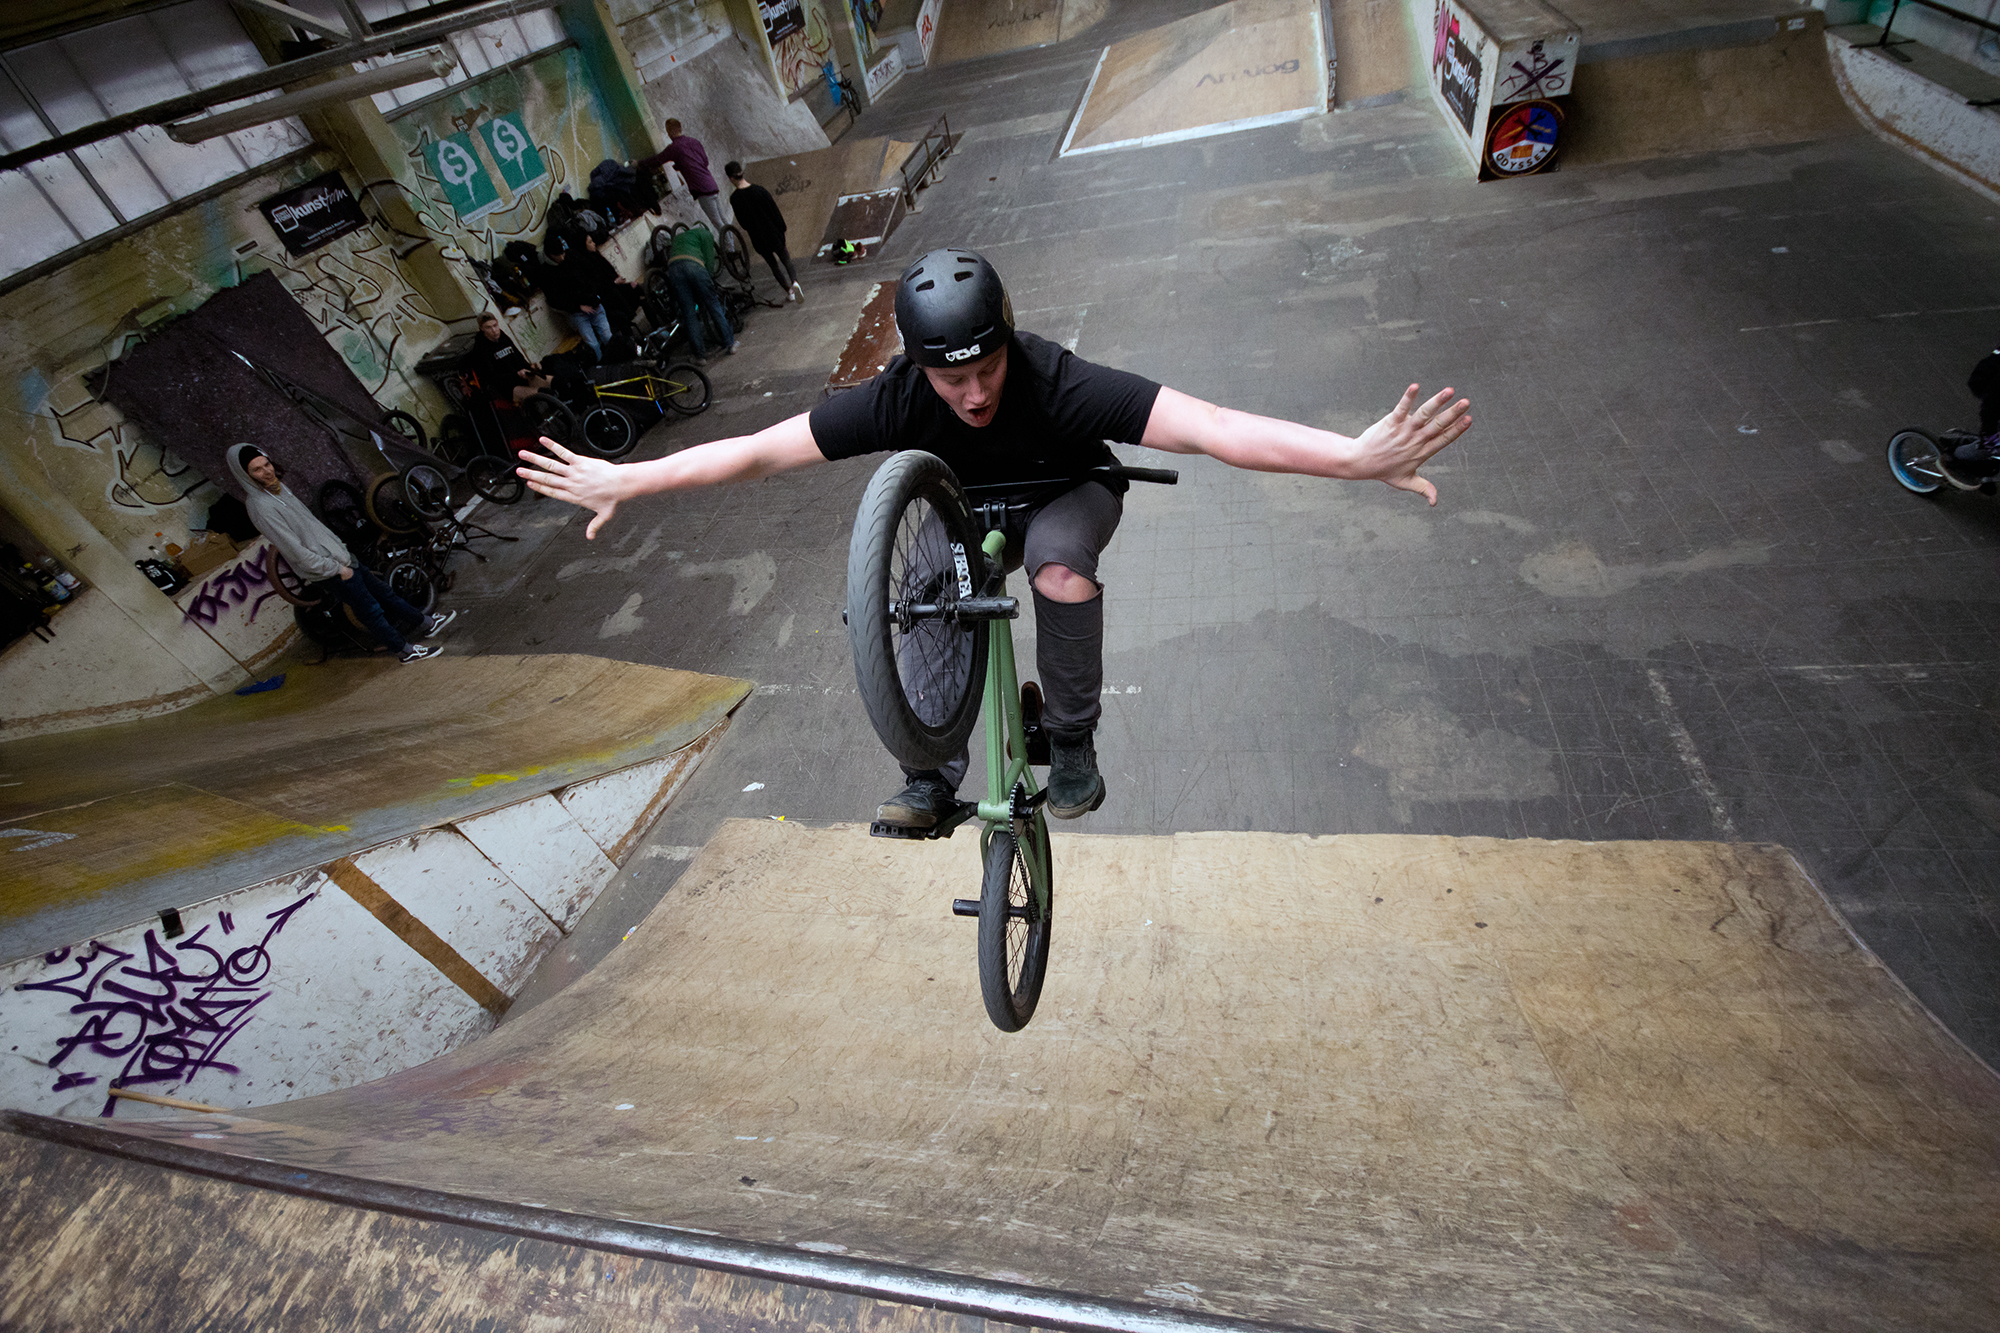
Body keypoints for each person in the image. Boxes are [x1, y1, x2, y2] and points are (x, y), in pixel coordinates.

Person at [516, 247, 1470, 828]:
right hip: (963, 514)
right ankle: (928, 770)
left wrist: (1351, 456)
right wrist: (631, 477)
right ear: (917, 365)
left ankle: (1074, 738)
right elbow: (763, 453)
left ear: (1009, 338)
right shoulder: (897, 396)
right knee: (908, 595)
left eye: (986, 370)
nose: (972, 394)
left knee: (1056, 572)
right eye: (948, 379)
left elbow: (1215, 425)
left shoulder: (1063, 384)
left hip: (1068, 492)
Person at [228, 445, 453, 663]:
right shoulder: (261, 507)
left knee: (385, 593)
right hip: (330, 570)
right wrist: (337, 569)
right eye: (257, 470)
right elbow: (294, 550)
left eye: (266, 464)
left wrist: (340, 549)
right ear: (245, 475)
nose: (266, 471)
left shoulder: (279, 488)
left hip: (341, 556)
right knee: (371, 611)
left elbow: (312, 526)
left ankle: (426, 624)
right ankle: (404, 651)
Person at [539, 232, 628, 363]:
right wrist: (578, 307)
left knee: (607, 336)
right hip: (577, 313)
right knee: (593, 344)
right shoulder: (546, 274)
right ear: (551, 255)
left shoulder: (572, 256)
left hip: (593, 303)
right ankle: (602, 368)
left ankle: (619, 362)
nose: (562, 258)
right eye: (559, 256)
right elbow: (555, 301)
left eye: (563, 253)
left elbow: (591, 273)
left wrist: (594, 296)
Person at [725, 161, 802, 304]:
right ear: (742, 172)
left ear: (730, 179)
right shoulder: (760, 190)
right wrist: (782, 229)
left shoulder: (735, 199)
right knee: (786, 259)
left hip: (758, 238)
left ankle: (789, 292)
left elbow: (743, 222)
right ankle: (794, 282)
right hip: (774, 232)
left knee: (773, 265)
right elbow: (775, 212)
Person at [635, 120, 728, 237]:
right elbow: (704, 161)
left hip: (702, 189)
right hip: (711, 184)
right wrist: (680, 165)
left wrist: (639, 163)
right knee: (723, 220)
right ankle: (733, 243)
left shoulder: (674, 148)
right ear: (680, 128)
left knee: (717, 222)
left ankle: (730, 251)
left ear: (670, 131)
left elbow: (657, 160)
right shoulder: (694, 142)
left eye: (668, 131)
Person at [661, 225, 737, 361]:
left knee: (689, 313)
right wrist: (710, 279)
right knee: (713, 304)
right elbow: (709, 261)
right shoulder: (706, 234)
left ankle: (700, 357)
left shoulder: (680, 236)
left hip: (673, 269)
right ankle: (729, 344)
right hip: (694, 266)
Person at [468, 312, 552, 406]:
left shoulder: (503, 337)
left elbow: (519, 357)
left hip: (522, 377)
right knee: (545, 394)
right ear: (482, 329)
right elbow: (492, 378)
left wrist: (530, 367)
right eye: (488, 327)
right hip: (508, 388)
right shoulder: (480, 349)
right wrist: (516, 374)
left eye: (495, 325)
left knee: (554, 382)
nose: (494, 330)